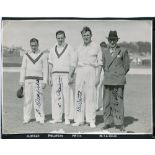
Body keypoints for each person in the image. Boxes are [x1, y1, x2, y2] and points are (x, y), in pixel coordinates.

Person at [69, 26, 103, 128]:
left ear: (91, 35)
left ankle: (91, 120)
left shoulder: (97, 47)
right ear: (82, 36)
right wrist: (70, 75)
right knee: (79, 96)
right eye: (84, 35)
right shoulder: (78, 47)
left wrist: (97, 77)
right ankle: (79, 119)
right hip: (80, 72)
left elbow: (100, 63)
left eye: (88, 35)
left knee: (90, 97)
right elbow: (73, 63)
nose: (86, 37)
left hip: (91, 71)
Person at [102, 30, 130, 131]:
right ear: (108, 40)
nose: (112, 42)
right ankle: (107, 122)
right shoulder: (105, 51)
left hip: (118, 80)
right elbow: (104, 65)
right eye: (110, 40)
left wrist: (119, 74)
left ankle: (119, 123)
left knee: (118, 102)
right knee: (107, 102)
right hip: (108, 80)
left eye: (114, 40)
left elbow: (126, 66)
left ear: (117, 40)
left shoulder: (123, 50)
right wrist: (109, 74)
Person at [48, 30, 75, 125]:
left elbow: (73, 63)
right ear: (56, 38)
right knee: (56, 97)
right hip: (55, 74)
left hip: (66, 74)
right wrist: (49, 76)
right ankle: (57, 117)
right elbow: (50, 63)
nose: (60, 40)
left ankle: (67, 117)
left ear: (64, 37)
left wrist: (71, 75)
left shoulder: (69, 48)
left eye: (62, 38)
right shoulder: (52, 49)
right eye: (58, 38)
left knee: (67, 96)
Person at [19, 38, 48, 124]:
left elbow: (45, 69)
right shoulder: (26, 55)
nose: (34, 47)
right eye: (32, 45)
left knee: (38, 99)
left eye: (35, 45)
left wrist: (45, 81)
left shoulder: (43, 55)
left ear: (38, 45)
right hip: (28, 80)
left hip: (38, 80)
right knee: (27, 99)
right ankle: (26, 118)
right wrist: (21, 80)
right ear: (30, 45)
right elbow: (23, 68)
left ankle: (40, 117)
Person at [96, 42, 107, 111]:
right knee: (102, 89)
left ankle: (97, 106)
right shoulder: (106, 53)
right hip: (104, 72)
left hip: (101, 71)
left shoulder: (101, 53)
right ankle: (102, 106)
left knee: (98, 88)